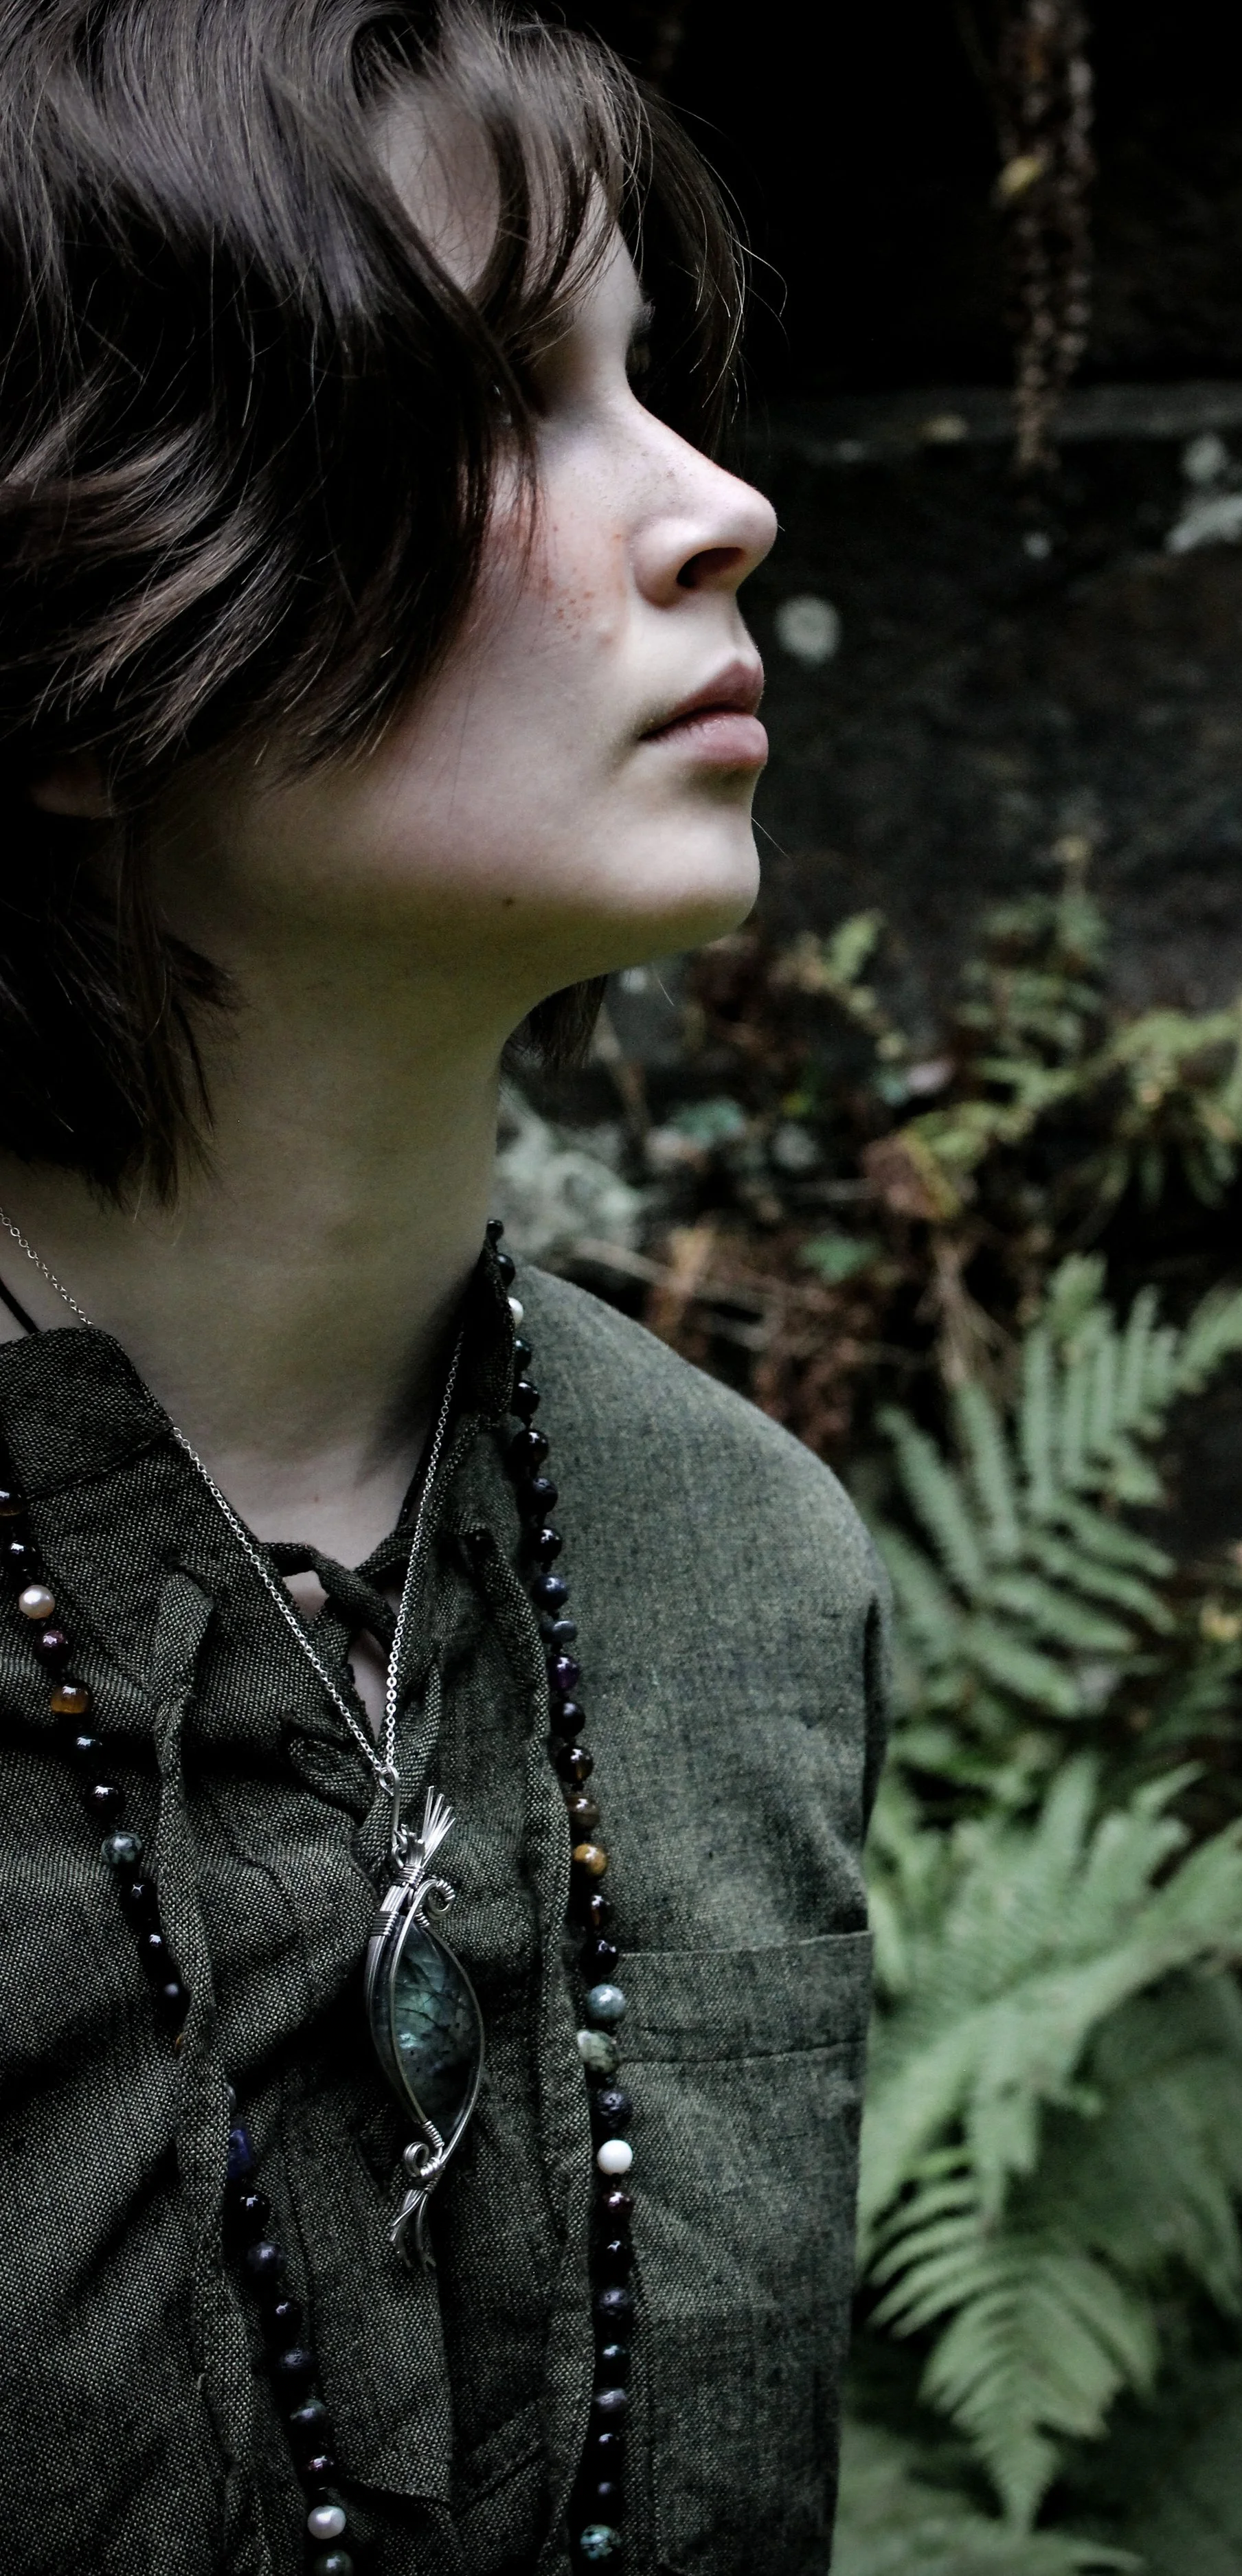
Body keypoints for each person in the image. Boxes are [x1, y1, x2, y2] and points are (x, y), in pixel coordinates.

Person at [0, 6, 888, 2574]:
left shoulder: (738, 1565)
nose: (717, 505)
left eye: (661, 381)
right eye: (506, 396)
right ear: (67, 578)